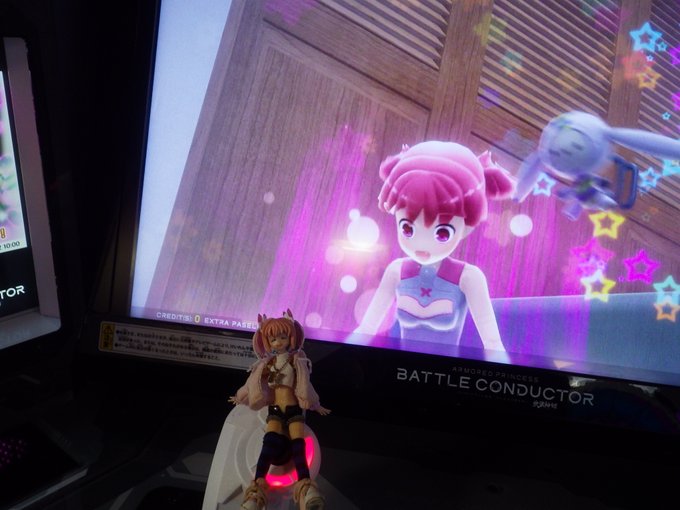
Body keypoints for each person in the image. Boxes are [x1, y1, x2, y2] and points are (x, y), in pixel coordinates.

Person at [354, 141, 515, 354]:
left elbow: (493, 343)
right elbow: (366, 329)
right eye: (407, 228)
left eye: (442, 233)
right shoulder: (396, 271)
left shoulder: (468, 277)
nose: (422, 244)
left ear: (466, 226)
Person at [230, 310, 330, 510]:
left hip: (294, 410)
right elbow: (252, 383)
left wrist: (316, 404)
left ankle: (306, 488)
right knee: (269, 444)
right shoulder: (267, 365)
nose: (278, 342)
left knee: (298, 446)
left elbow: (305, 385)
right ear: (267, 341)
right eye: (273, 339)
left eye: (282, 337)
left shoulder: (296, 362)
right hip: (275, 410)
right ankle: (256, 491)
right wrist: (241, 397)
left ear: (291, 338)